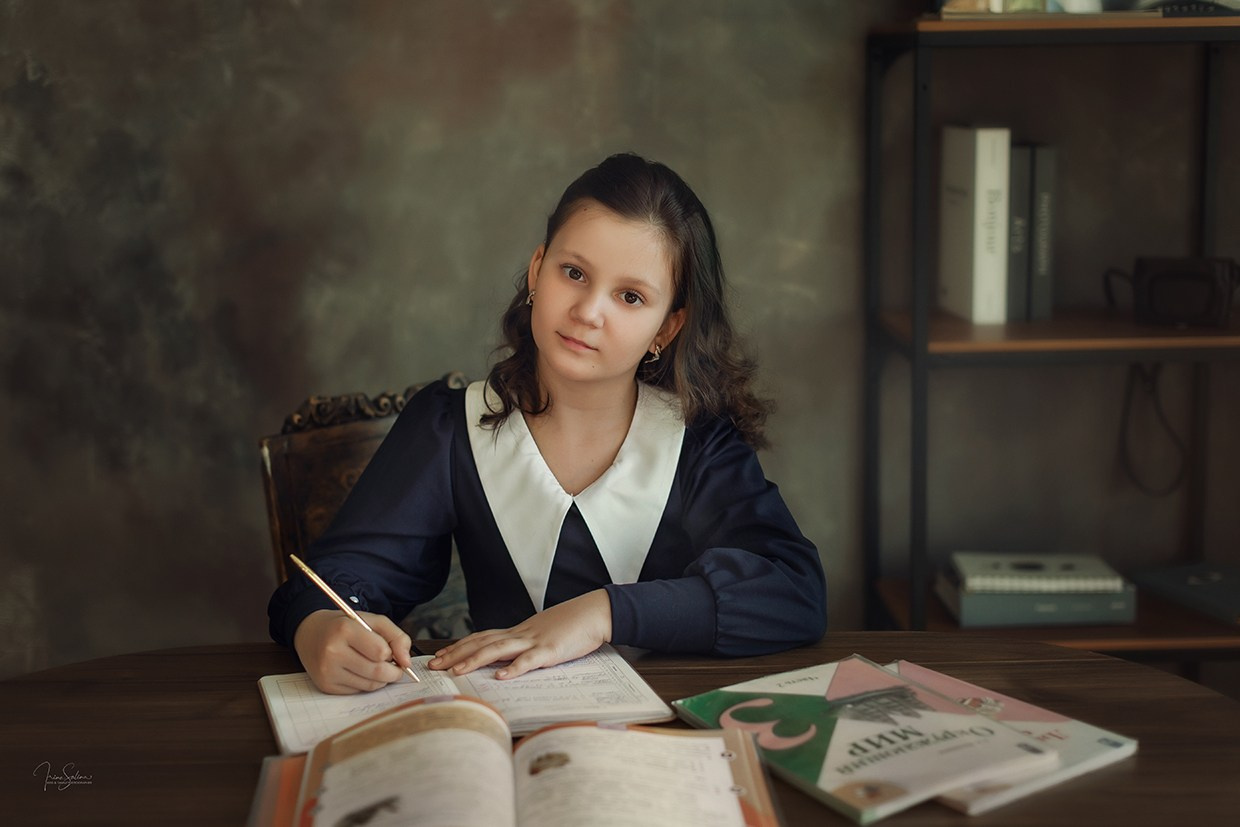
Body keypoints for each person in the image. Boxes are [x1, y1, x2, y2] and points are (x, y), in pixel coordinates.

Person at [268, 153, 826, 694]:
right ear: (538, 270)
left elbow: (795, 594)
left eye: (630, 296)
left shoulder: (698, 444)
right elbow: (335, 581)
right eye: (574, 273)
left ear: (667, 327)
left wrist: (604, 612)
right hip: (503, 731)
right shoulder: (450, 429)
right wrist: (318, 628)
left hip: (666, 740)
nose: (588, 311)